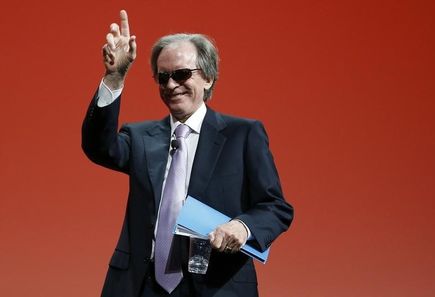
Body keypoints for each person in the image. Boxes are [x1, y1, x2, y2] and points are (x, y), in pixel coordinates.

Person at [82, 10, 294, 297]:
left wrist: (243, 227)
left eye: (181, 75)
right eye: (163, 77)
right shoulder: (141, 137)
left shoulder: (242, 135)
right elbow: (98, 147)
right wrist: (115, 76)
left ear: (207, 78)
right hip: (140, 286)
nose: (171, 85)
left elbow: (275, 207)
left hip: (216, 285)